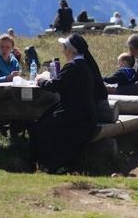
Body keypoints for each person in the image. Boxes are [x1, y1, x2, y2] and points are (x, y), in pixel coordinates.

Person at [30, 34, 108, 173]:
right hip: (86, 114)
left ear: (69, 50)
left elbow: (53, 86)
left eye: (63, 47)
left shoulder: (73, 67)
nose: (62, 50)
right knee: (44, 123)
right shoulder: (86, 65)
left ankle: (50, 165)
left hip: (76, 115)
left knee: (40, 128)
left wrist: (40, 80)